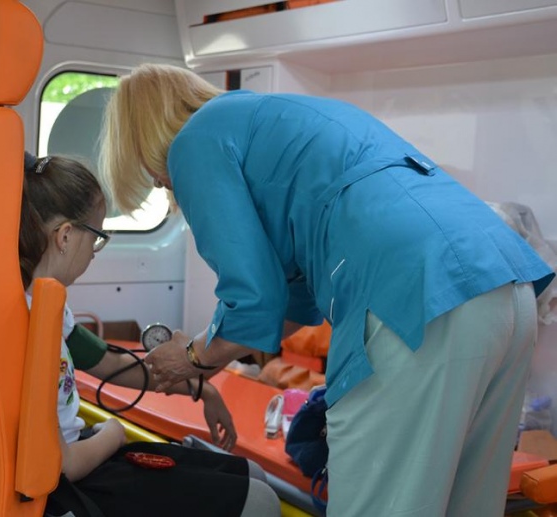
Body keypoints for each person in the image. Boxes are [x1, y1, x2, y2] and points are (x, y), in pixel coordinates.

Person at [97, 63, 556, 516]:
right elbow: (289, 303)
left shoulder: (194, 142)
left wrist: (192, 356)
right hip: (505, 284)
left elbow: (252, 297)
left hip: (416, 298)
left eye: (152, 173)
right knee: (470, 501)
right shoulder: (279, 120)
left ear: (147, 138)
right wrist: (205, 361)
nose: (160, 181)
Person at [20, 152, 281, 517]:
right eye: (97, 238)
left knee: (250, 474)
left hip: (82, 455)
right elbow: (61, 466)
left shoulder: (49, 306)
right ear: (65, 236)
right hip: (68, 481)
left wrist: (201, 389)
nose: (95, 253)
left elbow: (111, 363)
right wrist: (113, 432)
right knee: (260, 501)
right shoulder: (32, 321)